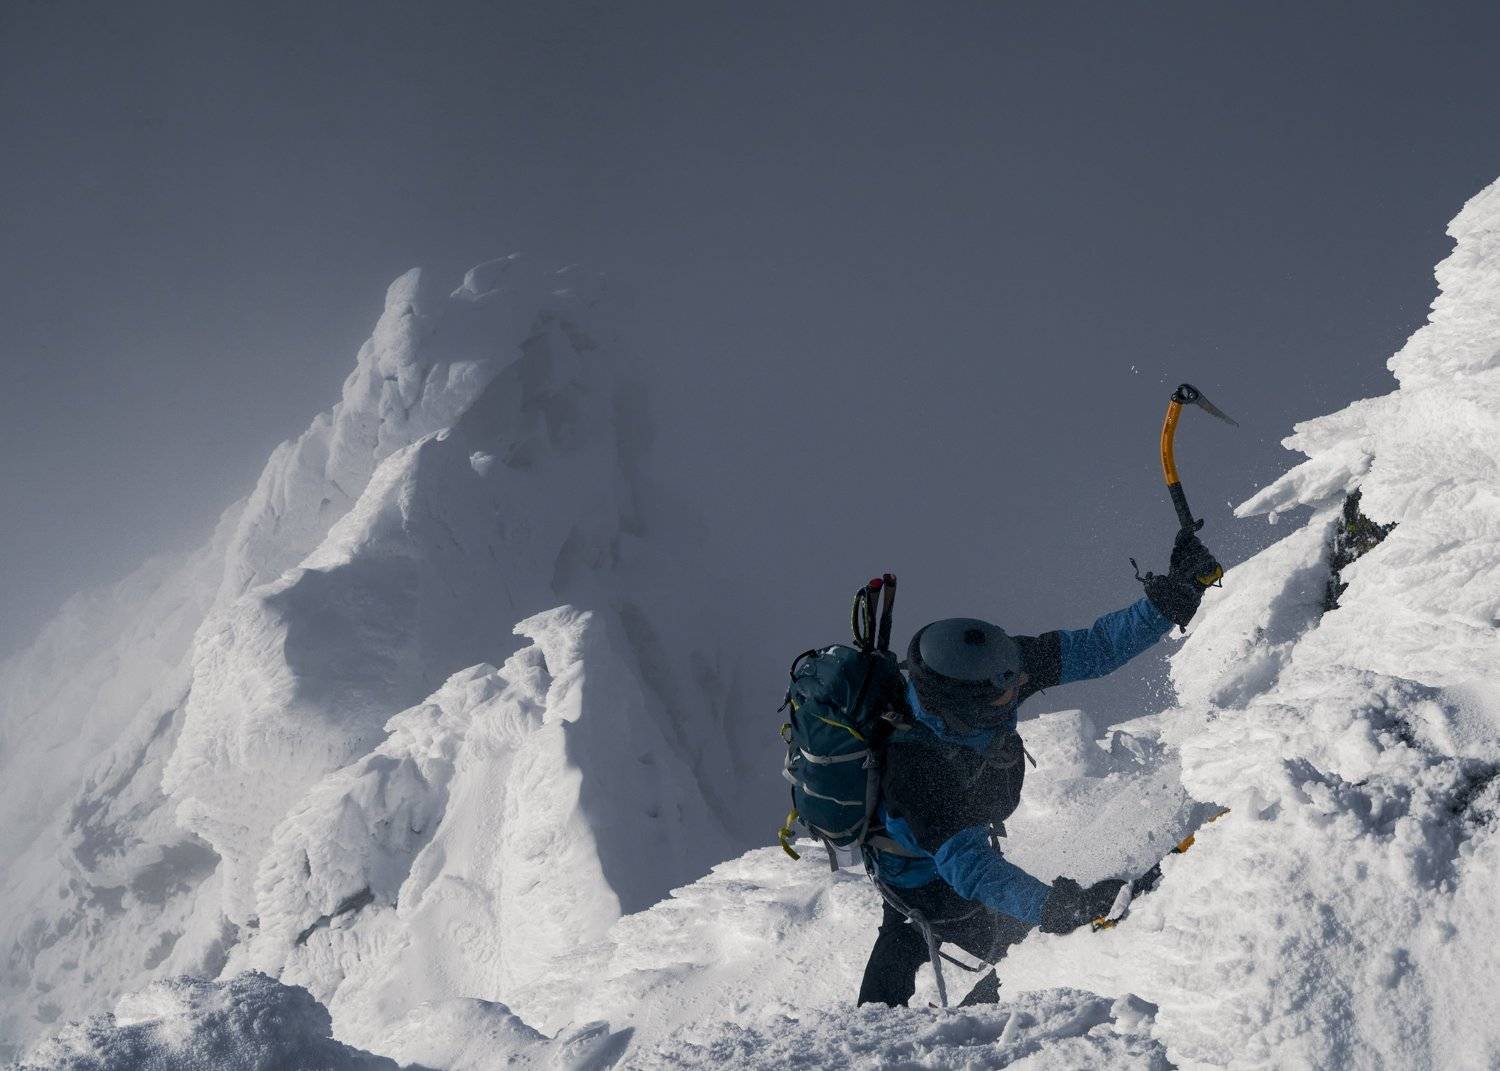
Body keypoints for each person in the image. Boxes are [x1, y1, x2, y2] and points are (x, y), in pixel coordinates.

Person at [856, 526, 1221, 1008]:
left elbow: (1095, 649)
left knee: (910, 944)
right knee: (1040, 957)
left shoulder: (995, 669)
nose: (1020, 686)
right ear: (963, 704)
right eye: (1006, 690)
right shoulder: (913, 768)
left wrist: (1172, 597)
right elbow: (972, 868)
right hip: (927, 888)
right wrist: (1053, 908)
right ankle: (959, 1038)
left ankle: (886, 1026)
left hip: (936, 860)